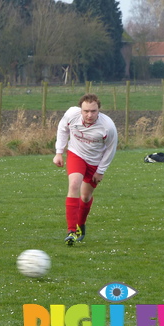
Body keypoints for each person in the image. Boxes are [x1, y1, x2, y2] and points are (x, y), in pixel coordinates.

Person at [53, 93, 118, 246]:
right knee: (74, 184)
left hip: (95, 162)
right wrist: (58, 152)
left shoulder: (107, 126)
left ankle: (80, 225)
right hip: (76, 154)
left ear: (99, 110)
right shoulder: (71, 115)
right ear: (80, 109)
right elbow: (62, 130)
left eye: (93, 111)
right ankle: (71, 231)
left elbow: (111, 149)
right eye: (86, 111)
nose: (89, 115)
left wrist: (100, 171)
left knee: (86, 196)